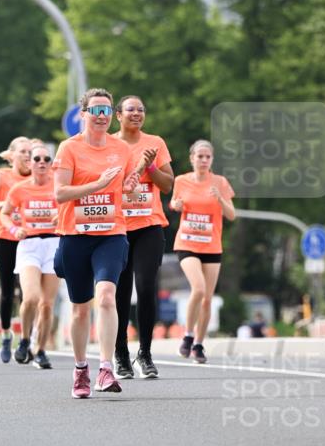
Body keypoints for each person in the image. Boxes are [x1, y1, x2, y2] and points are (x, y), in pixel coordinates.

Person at [53, 88, 142, 398]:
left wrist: (129, 186)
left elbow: (127, 189)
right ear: (85, 114)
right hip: (75, 235)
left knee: (106, 297)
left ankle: (106, 368)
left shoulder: (121, 149)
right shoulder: (69, 148)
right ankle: (81, 369)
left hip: (111, 233)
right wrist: (98, 184)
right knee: (80, 310)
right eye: (97, 110)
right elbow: (60, 193)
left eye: (107, 111)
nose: (103, 116)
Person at [112, 95, 174, 380]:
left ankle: (145, 353)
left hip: (150, 225)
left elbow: (168, 184)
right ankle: (121, 353)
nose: (136, 113)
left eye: (141, 110)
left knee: (146, 287)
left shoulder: (155, 143)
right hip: (117, 227)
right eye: (130, 110)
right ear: (118, 115)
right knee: (121, 292)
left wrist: (150, 167)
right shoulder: (109, 145)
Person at [170, 139, 235, 364]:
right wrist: (175, 206)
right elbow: (174, 203)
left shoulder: (220, 182)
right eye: (200, 156)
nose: (204, 160)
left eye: (208, 157)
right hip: (187, 243)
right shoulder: (181, 180)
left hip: (211, 245)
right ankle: (188, 336)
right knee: (198, 288)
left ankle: (199, 344)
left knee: (207, 299)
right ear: (192, 158)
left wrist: (220, 199)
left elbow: (231, 214)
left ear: (212, 159)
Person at [0, 142, 59, 369]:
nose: (42, 163)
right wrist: (15, 230)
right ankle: (24, 339)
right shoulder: (20, 189)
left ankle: (41, 350)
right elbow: (5, 214)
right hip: (29, 245)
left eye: (46, 160)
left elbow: (72, 207)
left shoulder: (58, 186)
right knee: (31, 297)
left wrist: (60, 217)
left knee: (47, 304)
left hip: (54, 244)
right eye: (37, 159)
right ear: (29, 163)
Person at [0, 136, 32, 362]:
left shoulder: (39, 176)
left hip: (32, 239)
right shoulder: (2, 176)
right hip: (6, 238)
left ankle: (27, 339)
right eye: (23, 152)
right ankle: (5, 335)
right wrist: (11, 203)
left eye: (30, 152)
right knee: (8, 292)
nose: (28, 157)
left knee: (29, 294)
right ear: (12, 156)